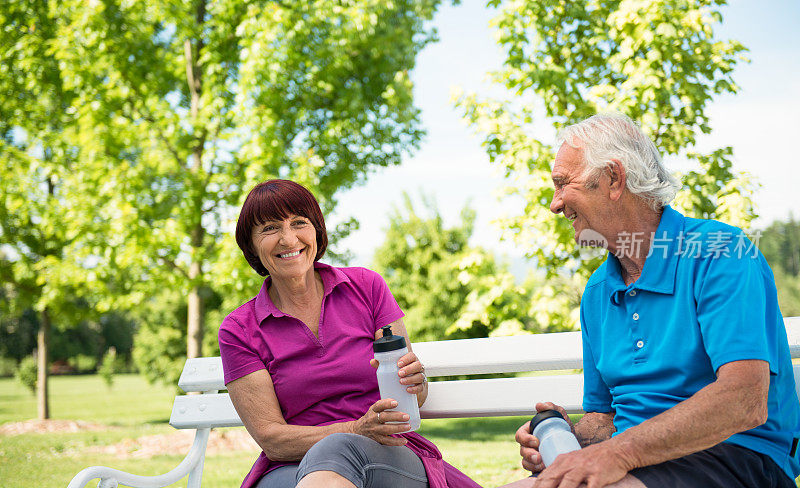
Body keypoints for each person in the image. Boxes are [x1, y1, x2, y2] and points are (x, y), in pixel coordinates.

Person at [505, 113, 800, 488]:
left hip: (737, 456)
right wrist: (562, 436)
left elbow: (744, 399)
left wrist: (617, 453)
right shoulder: (598, 290)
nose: (555, 204)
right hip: (640, 462)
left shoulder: (721, 252)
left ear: (614, 178)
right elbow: (605, 417)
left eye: (563, 184)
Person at [218, 179, 482, 488]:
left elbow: (414, 398)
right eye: (270, 228)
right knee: (316, 460)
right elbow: (272, 440)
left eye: (299, 223)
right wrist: (356, 428)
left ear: (317, 230)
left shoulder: (366, 288)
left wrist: (415, 381)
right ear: (250, 245)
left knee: (339, 447)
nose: (288, 239)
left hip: (387, 454)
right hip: (292, 465)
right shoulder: (239, 330)